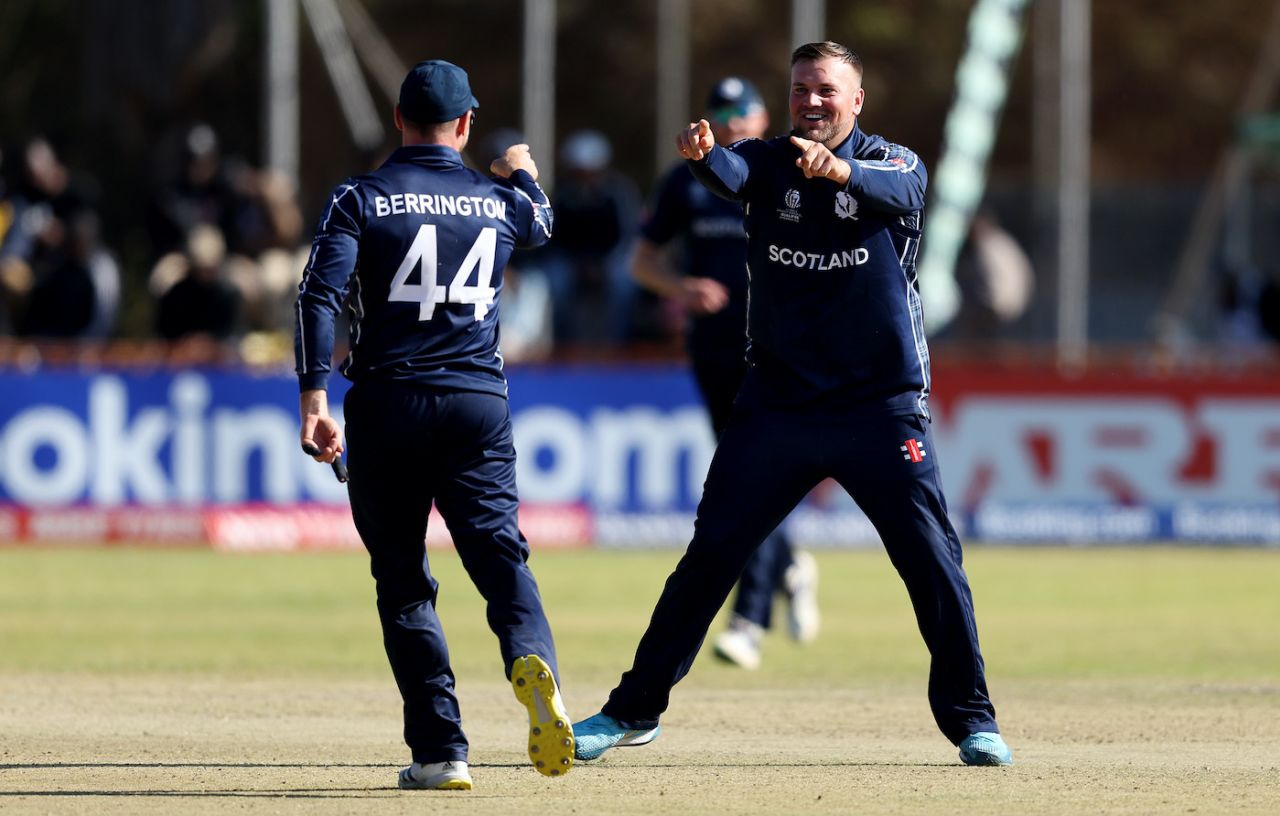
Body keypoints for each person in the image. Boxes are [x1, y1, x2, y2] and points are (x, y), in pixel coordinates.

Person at [572, 41, 1013, 767]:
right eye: (802, 88)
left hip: (880, 406)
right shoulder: (768, 159)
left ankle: (973, 719)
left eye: (827, 90)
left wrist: (840, 169)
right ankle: (632, 711)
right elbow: (731, 172)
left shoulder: (896, 163)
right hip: (779, 405)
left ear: (857, 100)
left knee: (932, 560)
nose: (812, 101)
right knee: (710, 556)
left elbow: (901, 193)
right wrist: (704, 154)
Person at [293, 59, 575, 791]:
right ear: (467, 125)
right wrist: (522, 171)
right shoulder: (497, 199)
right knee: (501, 559)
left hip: (389, 403)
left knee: (403, 581)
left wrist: (314, 401)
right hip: (478, 403)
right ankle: (527, 653)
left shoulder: (361, 196)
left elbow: (315, 296)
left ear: (396, 120)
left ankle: (441, 749)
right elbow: (542, 223)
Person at [631, 76, 819, 670]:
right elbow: (642, 262)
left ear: (765, 119)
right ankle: (790, 564)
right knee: (747, 477)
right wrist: (680, 287)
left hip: (777, 350)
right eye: (723, 110)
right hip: (712, 350)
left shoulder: (795, 169)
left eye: (746, 109)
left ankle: (748, 622)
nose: (735, 119)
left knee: (752, 480)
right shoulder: (684, 183)